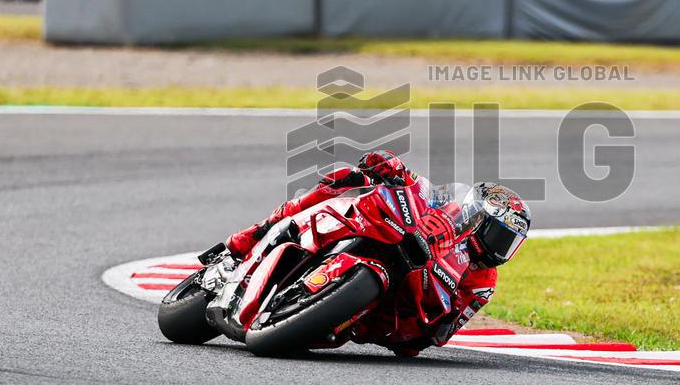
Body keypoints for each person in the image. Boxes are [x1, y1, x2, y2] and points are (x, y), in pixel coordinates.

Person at [218, 150, 532, 357]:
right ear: (476, 217)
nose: (499, 248)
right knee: (343, 182)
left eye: (510, 243)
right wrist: (391, 166)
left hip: (393, 307)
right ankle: (253, 236)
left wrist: (430, 318)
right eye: (499, 236)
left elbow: (440, 335)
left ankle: (312, 312)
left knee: (399, 343)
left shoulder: (484, 281)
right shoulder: (448, 205)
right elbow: (416, 186)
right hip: (386, 233)